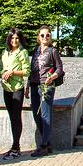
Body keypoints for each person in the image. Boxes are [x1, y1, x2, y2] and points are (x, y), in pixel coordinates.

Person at [28, 26, 64, 156]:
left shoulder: (53, 51)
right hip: (34, 84)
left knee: (45, 114)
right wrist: (27, 86)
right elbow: (32, 69)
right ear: (38, 37)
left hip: (46, 85)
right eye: (42, 35)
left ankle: (43, 145)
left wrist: (52, 77)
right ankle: (47, 143)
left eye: (47, 35)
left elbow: (59, 69)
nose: (45, 37)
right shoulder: (36, 50)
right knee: (36, 114)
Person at [0, 28, 27, 158]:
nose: (14, 40)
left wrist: (13, 72)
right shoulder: (5, 52)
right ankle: (14, 146)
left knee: (16, 117)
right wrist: (3, 73)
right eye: (12, 38)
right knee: (11, 117)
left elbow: (27, 71)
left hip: (17, 88)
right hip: (6, 88)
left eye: (17, 38)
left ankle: (16, 147)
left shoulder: (23, 52)